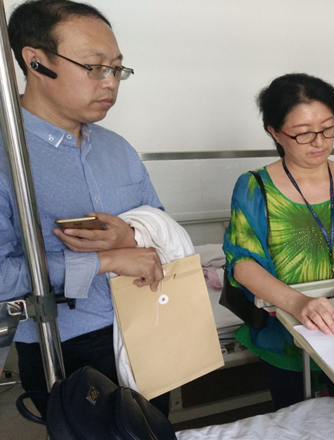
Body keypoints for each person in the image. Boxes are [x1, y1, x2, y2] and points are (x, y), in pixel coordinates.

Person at [1, 0, 168, 415]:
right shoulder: (8, 155)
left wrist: (133, 236)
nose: (110, 83)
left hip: (145, 325)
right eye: (94, 67)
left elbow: (161, 225)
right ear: (36, 61)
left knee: (155, 428)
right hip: (65, 343)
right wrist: (106, 261)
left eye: (117, 69)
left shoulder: (118, 150)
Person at [223, 73, 334, 409]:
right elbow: (243, 265)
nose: (319, 142)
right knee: (300, 418)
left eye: (328, 128)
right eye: (304, 133)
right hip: (288, 333)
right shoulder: (254, 187)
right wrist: (297, 303)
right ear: (274, 132)